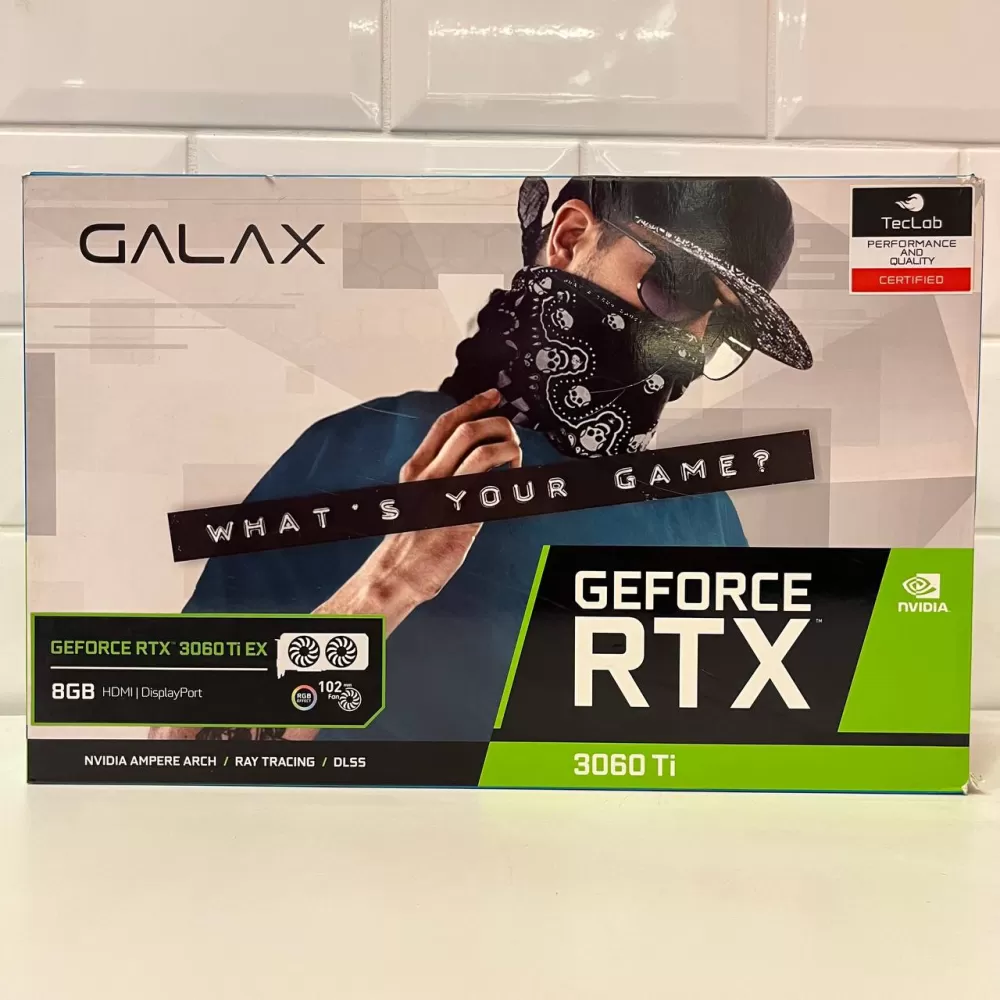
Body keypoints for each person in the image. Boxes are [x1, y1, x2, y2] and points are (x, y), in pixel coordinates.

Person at [150, 177, 812, 743]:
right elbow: (188, 751)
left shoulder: (699, 513)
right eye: (677, 286)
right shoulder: (359, 448)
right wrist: (388, 585)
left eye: (726, 328)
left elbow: (729, 754)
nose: (691, 341)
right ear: (570, 237)